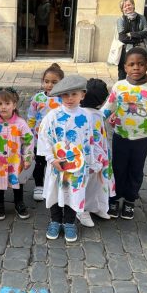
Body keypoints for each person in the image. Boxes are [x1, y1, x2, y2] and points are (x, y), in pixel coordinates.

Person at [100, 47, 147, 220]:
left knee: (136, 170)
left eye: (140, 64)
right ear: (125, 67)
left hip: (142, 139)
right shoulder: (119, 86)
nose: (136, 68)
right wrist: (92, 124)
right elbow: (107, 108)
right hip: (120, 137)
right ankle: (114, 199)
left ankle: (130, 200)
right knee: (117, 168)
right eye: (131, 64)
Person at [37, 75, 105, 243]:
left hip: (77, 167)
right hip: (57, 166)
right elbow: (44, 138)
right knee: (55, 192)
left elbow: (92, 139)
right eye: (65, 95)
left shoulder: (87, 116)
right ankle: (55, 220)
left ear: (82, 95)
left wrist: (92, 161)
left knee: (74, 193)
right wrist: (51, 159)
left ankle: (69, 221)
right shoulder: (52, 116)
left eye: (74, 94)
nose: (69, 98)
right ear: (60, 96)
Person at [0, 87, 34, 221]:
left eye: (7, 103)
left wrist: (27, 157)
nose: (3, 107)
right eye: (0, 104)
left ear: (14, 105)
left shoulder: (20, 124)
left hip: (15, 160)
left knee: (18, 182)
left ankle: (19, 203)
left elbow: (29, 140)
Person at [78, 78, 115, 226]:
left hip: (101, 154)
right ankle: (82, 209)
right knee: (87, 182)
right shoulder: (83, 115)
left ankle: (97, 206)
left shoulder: (98, 114)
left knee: (98, 182)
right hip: (89, 155)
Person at [27, 63, 64, 201]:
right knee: (40, 163)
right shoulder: (38, 98)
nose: (49, 85)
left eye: (54, 82)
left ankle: (54, 186)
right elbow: (31, 117)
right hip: (39, 139)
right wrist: (29, 134)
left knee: (54, 163)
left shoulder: (64, 99)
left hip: (57, 140)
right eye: (46, 81)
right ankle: (39, 186)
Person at [116, 0, 147, 80]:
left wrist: (131, 34)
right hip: (126, 49)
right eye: (125, 6)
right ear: (122, 9)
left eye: (129, 5)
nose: (127, 7)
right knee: (122, 71)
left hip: (141, 48)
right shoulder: (120, 20)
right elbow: (122, 38)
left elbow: (146, 32)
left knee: (140, 69)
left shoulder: (142, 18)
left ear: (133, 5)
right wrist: (139, 37)